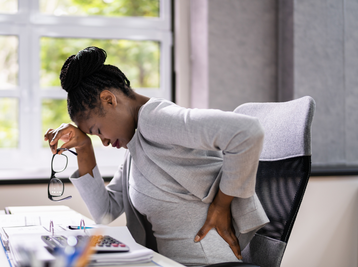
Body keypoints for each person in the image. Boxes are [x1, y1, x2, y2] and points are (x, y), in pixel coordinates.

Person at [44, 46, 269, 266]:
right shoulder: (136, 144)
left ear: (109, 99)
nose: (102, 141)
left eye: (98, 131)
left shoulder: (157, 119)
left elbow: (246, 132)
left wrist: (221, 206)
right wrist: (84, 148)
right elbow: (105, 212)